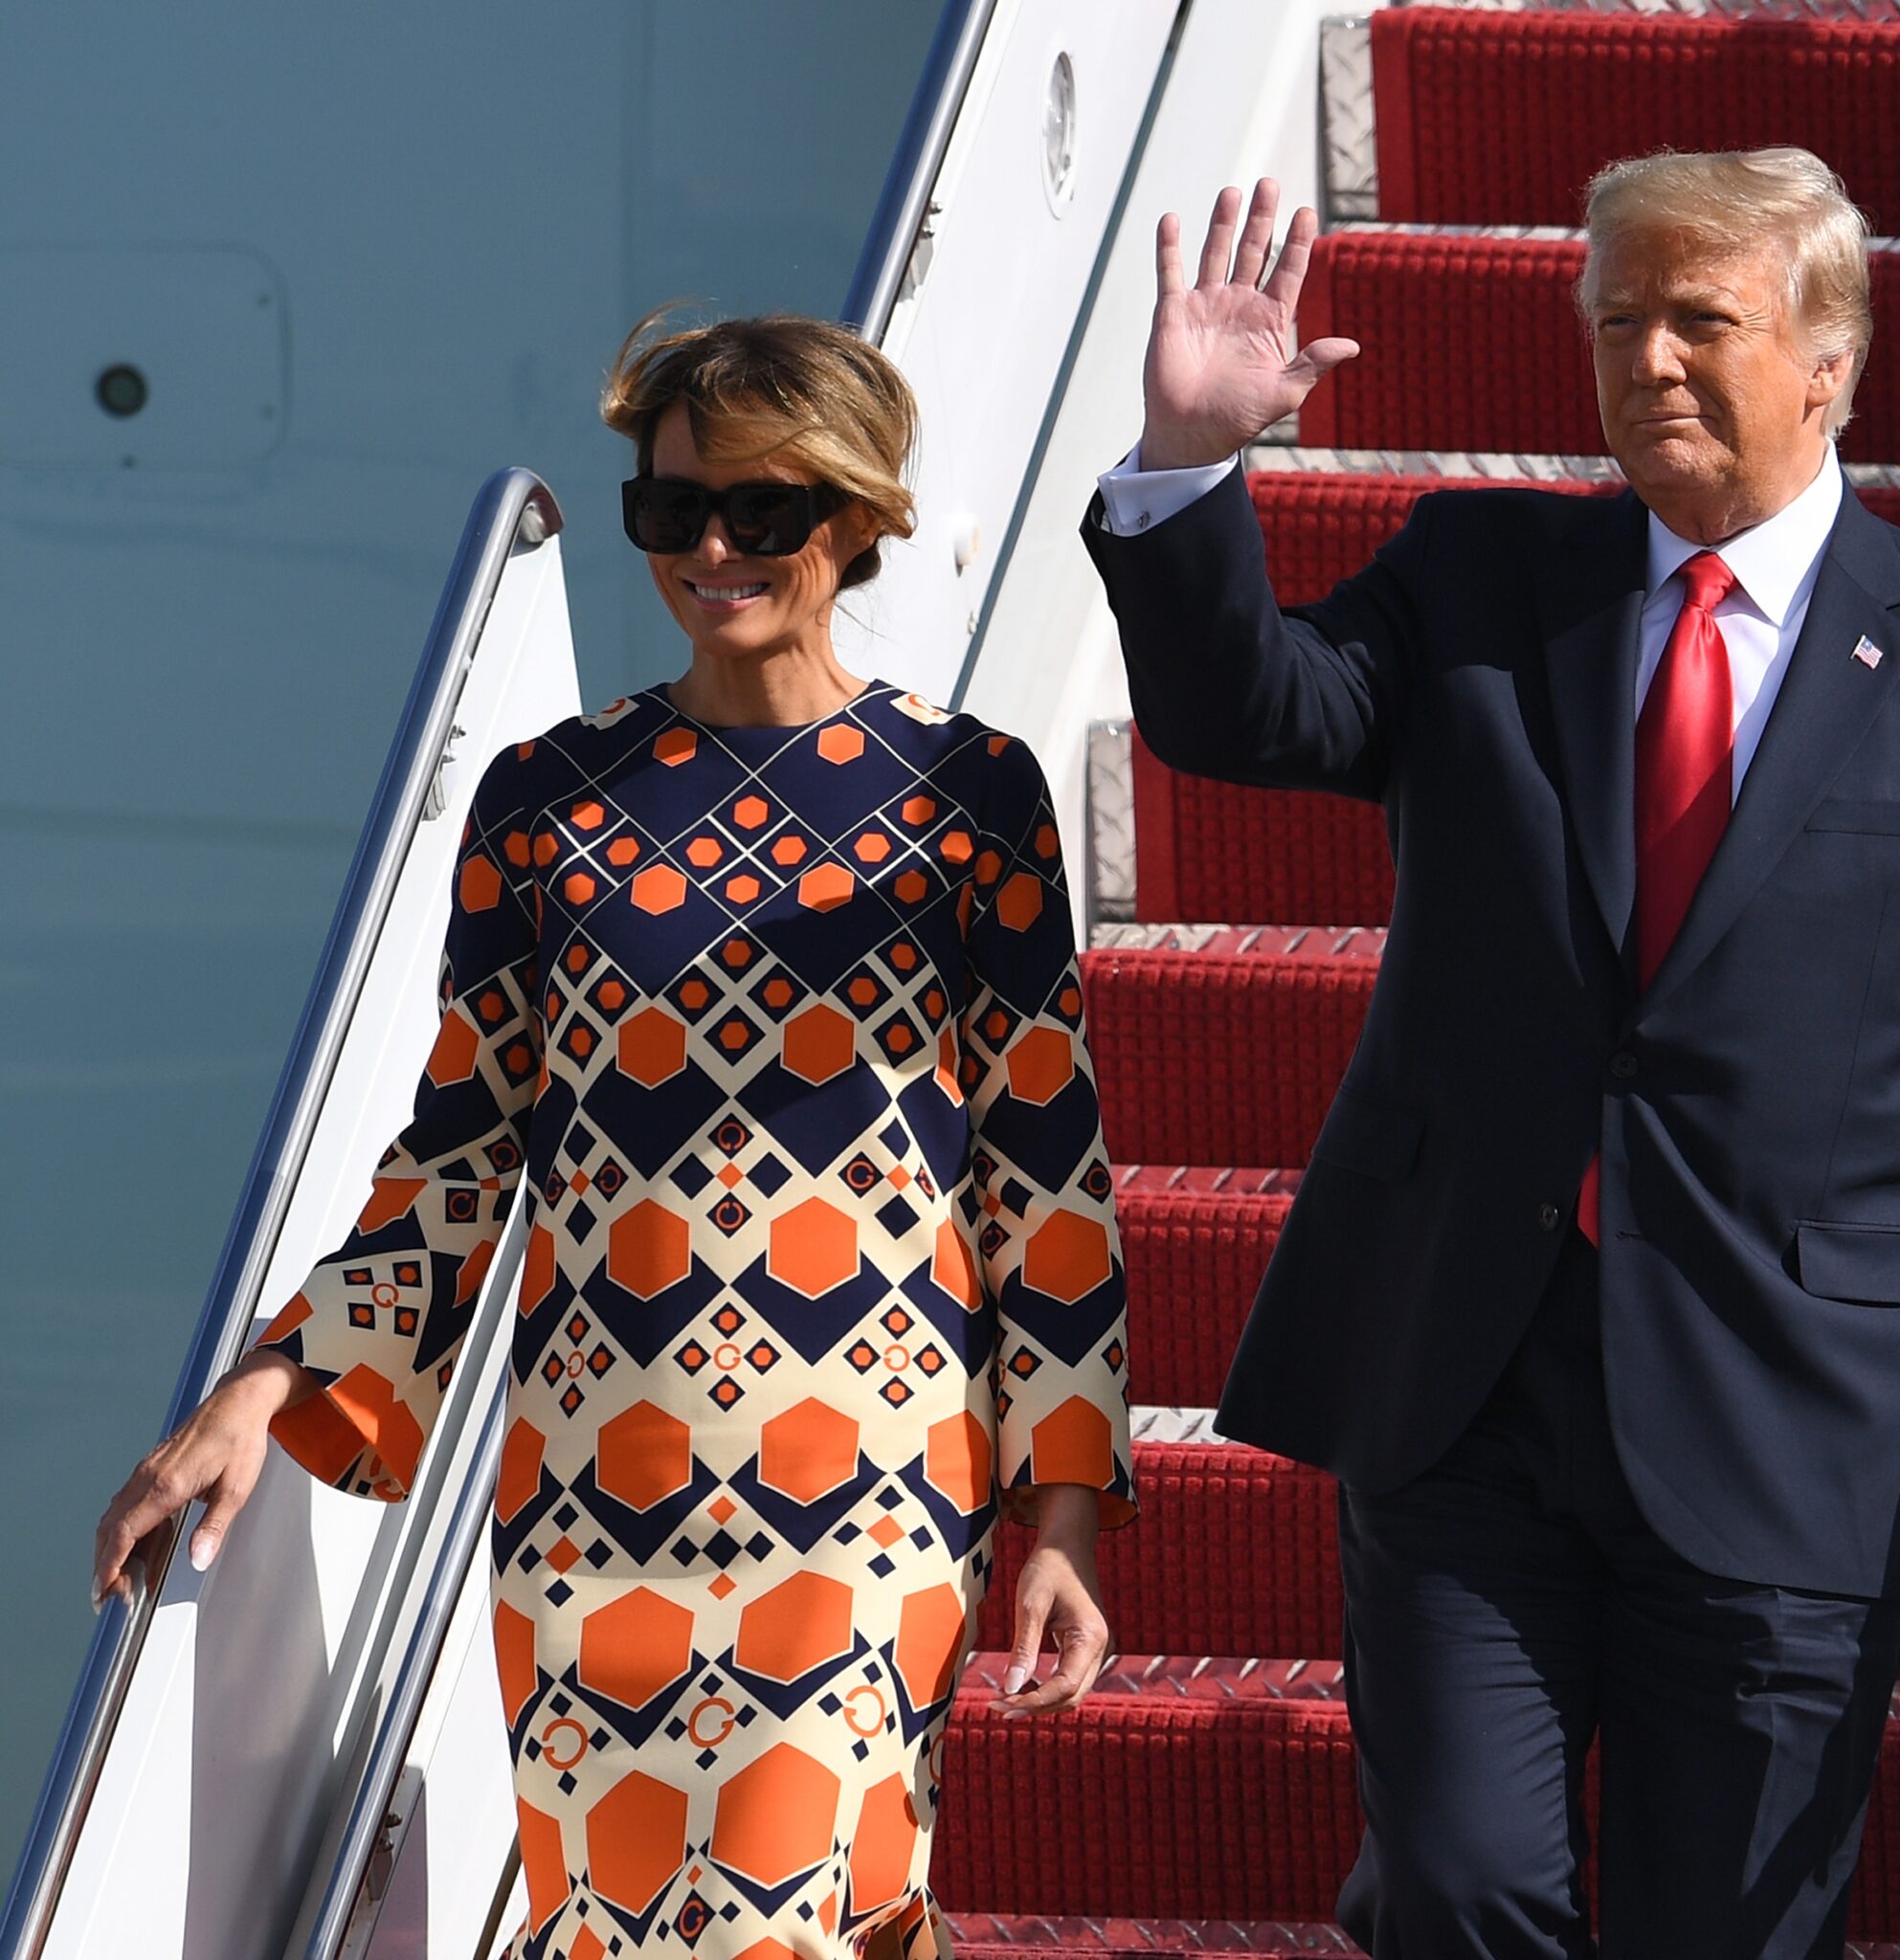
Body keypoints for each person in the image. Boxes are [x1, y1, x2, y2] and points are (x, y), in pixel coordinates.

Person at [1081, 152, 1900, 1958]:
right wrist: (1191, 460)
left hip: (1790, 1414)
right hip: (1468, 1374)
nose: (1651, 362)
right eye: (1619, 321)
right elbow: (1250, 716)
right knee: (1456, 1891)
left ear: (1832, 356)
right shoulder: (1482, 572)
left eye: (1703, 320)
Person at [94, 311, 1135, 1960]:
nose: (711, 550)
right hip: (590, 1498)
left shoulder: (968, 791)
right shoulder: (543, 797)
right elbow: (460, 1152)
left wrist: (1060, 1511)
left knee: (791, 1909)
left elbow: (1043, 1176)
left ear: (857, 521)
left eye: (762, 511)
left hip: (863, 1488)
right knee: (630, 1928)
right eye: (671, 512)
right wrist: (275, 1378)